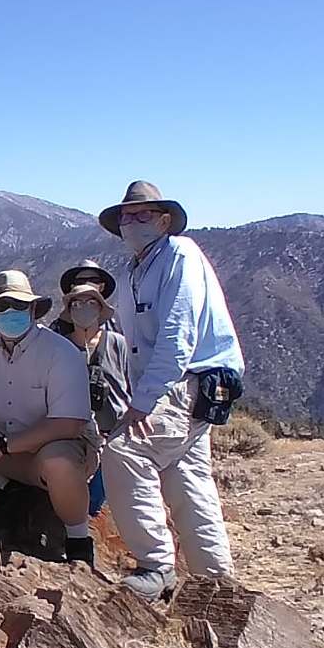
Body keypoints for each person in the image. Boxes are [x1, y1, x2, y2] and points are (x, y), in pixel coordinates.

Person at [97, 181, 245, 601]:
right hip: (180, 386)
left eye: (142, 215)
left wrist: (142, 404)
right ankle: (214, 583)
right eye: (127, 216)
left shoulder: (180, 255)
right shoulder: (133, 271)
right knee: (186, 477)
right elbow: (133, 342)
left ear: (164, 220)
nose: (132, 222)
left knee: (125, 452)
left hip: (187, 381)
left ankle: (157, 565)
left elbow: (178, 336)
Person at [0, 270, 100, 565]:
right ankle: (2, 485)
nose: (10, 312)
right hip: (3, 442)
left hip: (55, 447)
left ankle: (78, 540)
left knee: (58, 462)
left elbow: (69, 424)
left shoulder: (60, 353)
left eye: (18, 305)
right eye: (2, 306)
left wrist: (2, 447)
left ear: (32, 309)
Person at [54, 283, 132, 517]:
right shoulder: (59, 346)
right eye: (77, 304)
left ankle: (92, 513)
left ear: (100, 308)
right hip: (72, 430)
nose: (84, 309)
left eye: (91, 303)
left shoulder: (118, 343)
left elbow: (132, 380)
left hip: (113, 430)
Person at [50, 259, 119, 337]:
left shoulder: (115, 326)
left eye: (94, 280)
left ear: (102, 287)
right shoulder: (57, 330)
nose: (87, 284)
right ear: (73, 287)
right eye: (80, 282)